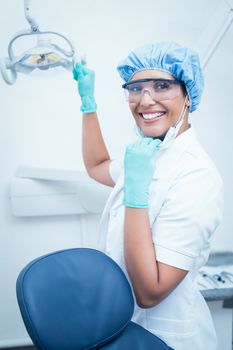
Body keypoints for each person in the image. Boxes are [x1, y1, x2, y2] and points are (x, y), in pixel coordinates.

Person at [73, 42, 223, 350]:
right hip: (126, 327)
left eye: (162, 86)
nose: (145, 100)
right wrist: (89, 104)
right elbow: (97, 166)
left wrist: (136, 198)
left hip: (167, 339)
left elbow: (150, 292)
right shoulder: (148, 154)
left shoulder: (196, 176)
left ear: (188, 96)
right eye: (135, 88)